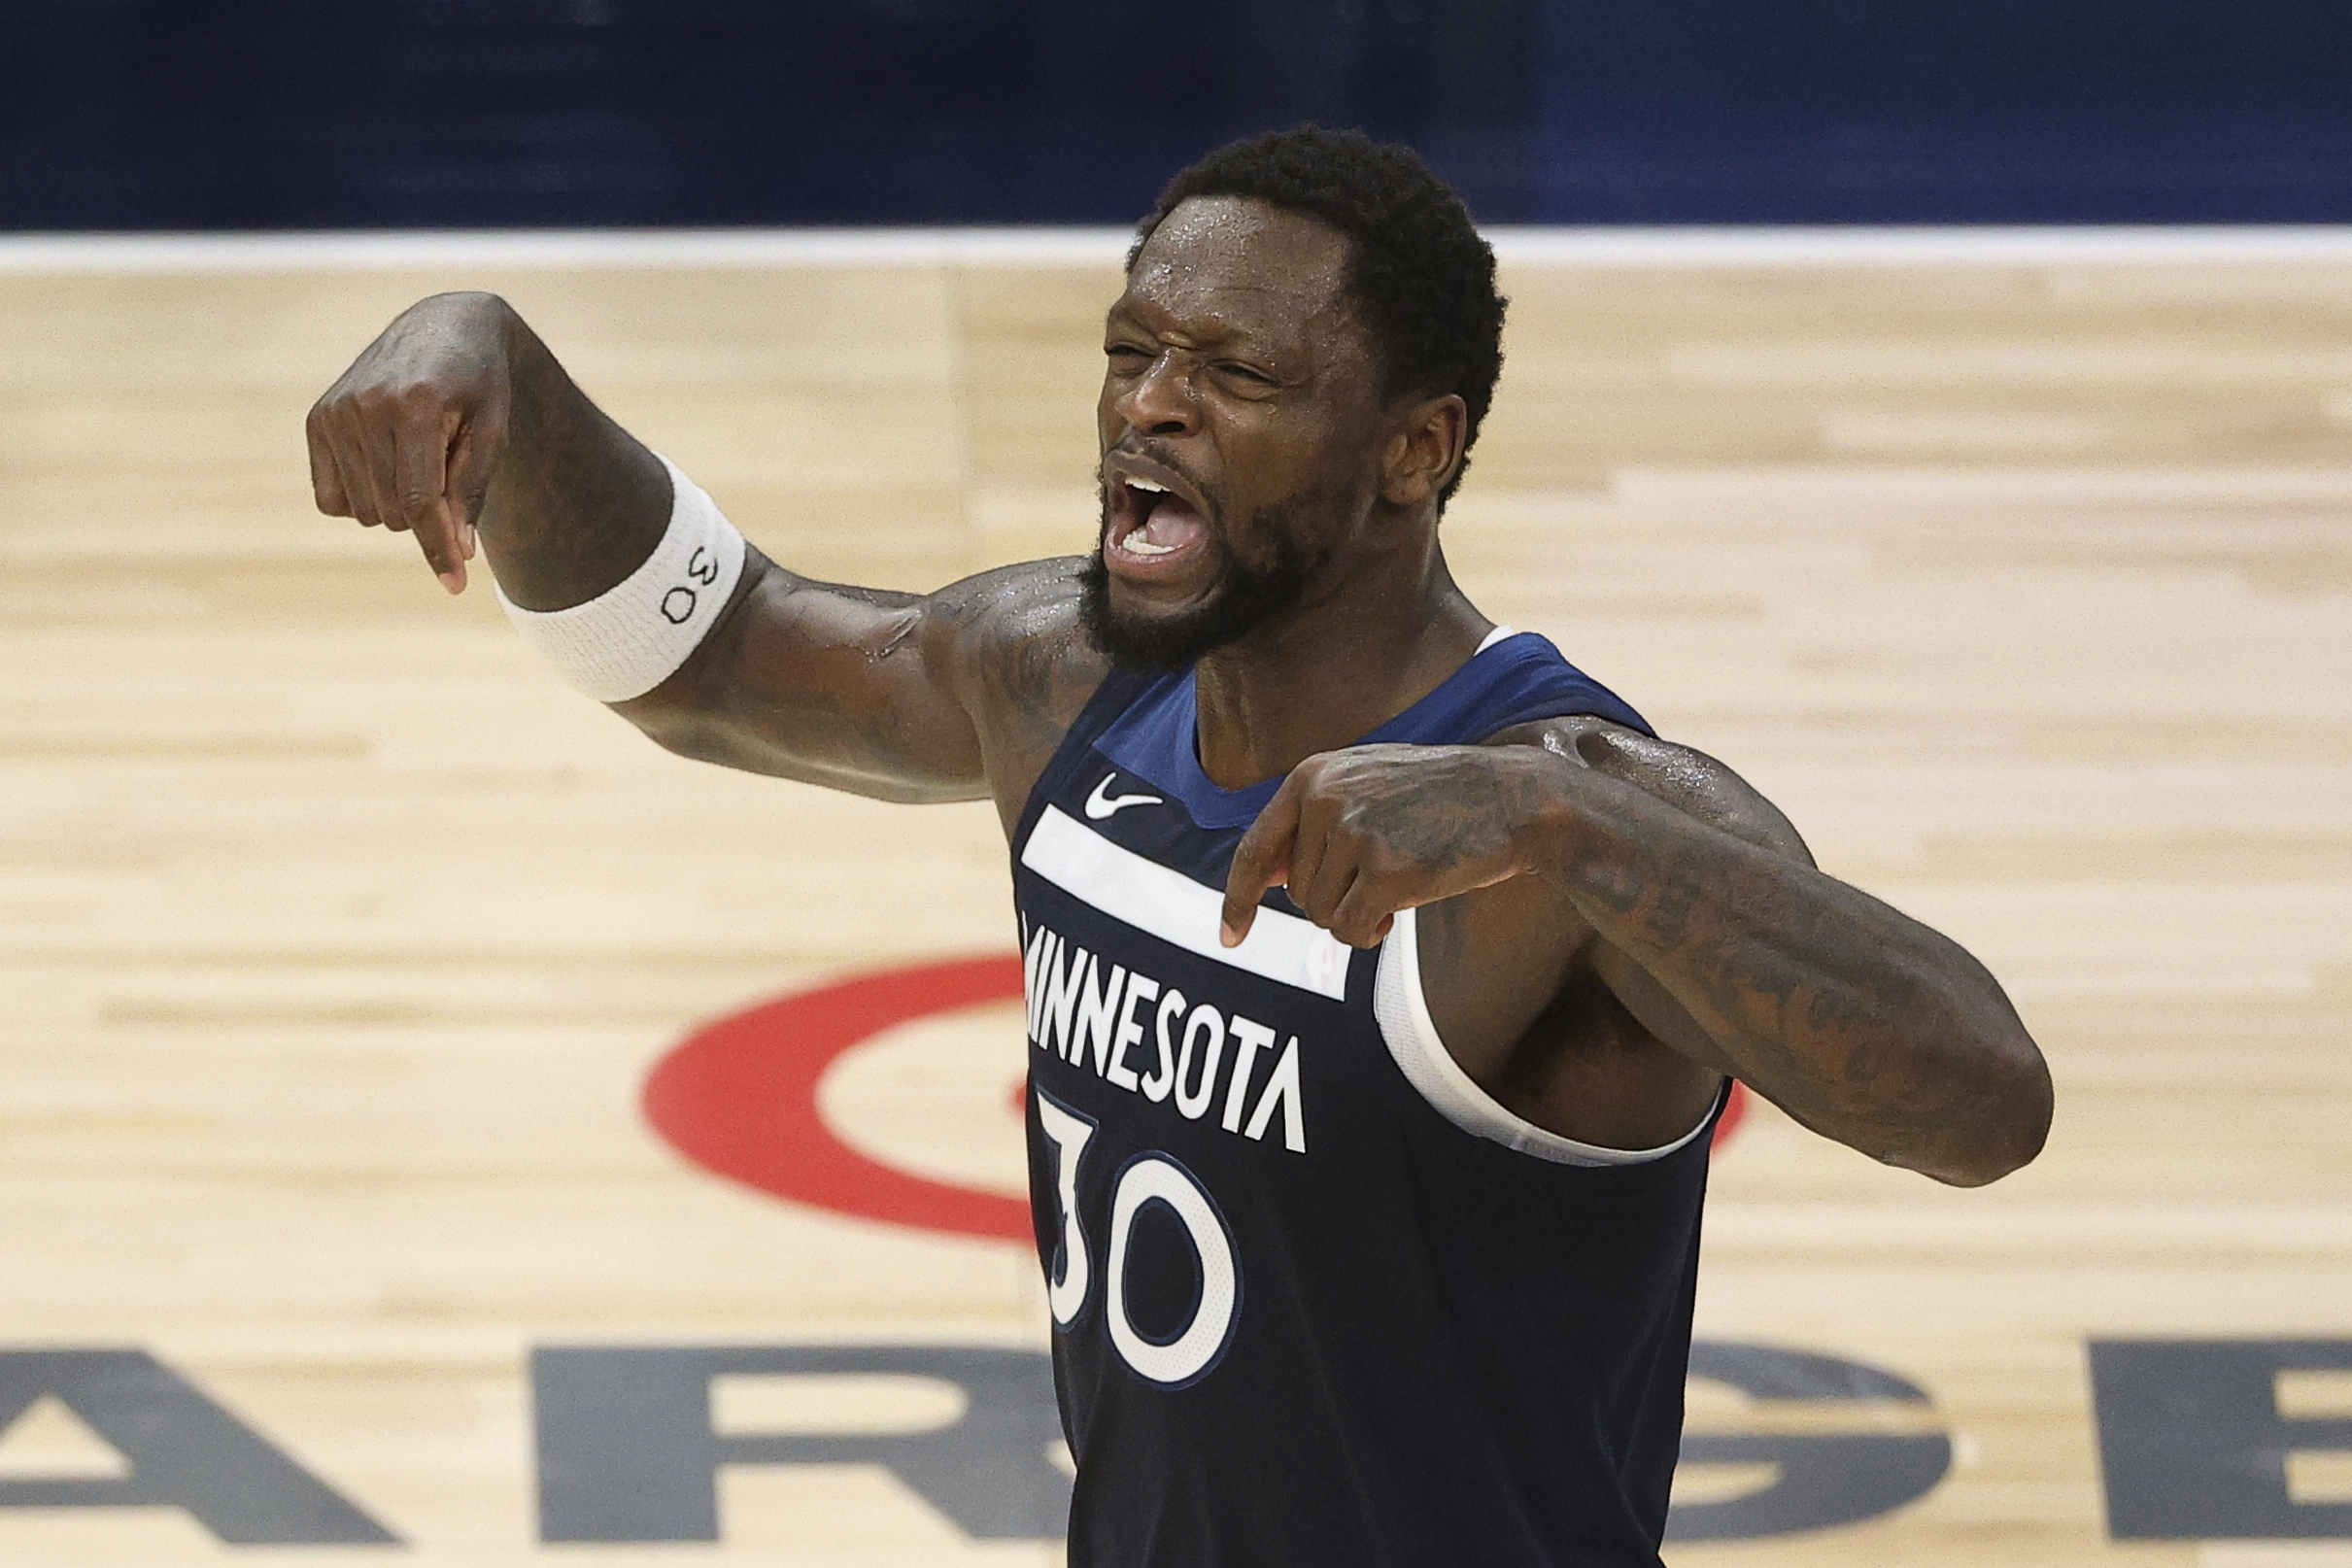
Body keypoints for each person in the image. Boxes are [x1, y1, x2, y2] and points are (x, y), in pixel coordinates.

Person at [306, 127, 2051, 1568]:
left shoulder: (1564, 800)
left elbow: (1982, 1100)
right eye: (1132, 351)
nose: (1150, 405)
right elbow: (709, 657)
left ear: (1414, 452)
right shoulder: (1061, 678)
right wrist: (496, 367)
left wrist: (1567, 824)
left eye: (1236, 374)